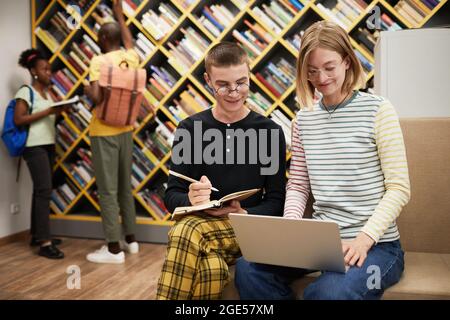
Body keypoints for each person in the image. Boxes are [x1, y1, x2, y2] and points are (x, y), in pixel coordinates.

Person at [235, 20, 411, 300]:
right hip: (319, 244)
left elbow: (399, 188)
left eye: (329, 67)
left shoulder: (378, 110)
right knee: (248, 269)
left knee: (329, 292)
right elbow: (299, 186)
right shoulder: (303, 120)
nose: (322, 78)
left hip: (377, 245)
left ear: (347, 62)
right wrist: (290, 228)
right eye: (312, 71)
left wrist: (364, 239)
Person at [156, 42, 287, 300]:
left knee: (186, 230)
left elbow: (277, 201)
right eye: (223, 85)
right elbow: (171, 196)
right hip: (201, 223)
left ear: (250, 75)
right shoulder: (189, 129)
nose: (234, 92)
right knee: (212, 270)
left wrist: (244, 212)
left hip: (245, 230)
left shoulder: (269, 132)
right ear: (208, 80)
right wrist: (191, 199)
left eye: (242, 82)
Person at [84, 0, 139, 264]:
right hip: (126, 129)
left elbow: (95, 97)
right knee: (124, 189)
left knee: (107, 191)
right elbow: (129, 41)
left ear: (104, 38)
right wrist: (119, 14)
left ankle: (113, 249)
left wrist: (86, 89)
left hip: (103, 131)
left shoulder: (99, 60)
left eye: (98, 35)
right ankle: (131, 240)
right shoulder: (131, 57)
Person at [14, 48, 67, 259]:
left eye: (50, 69)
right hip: (33, 147)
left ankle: (37, 235)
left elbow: (47, 118)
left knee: (41, 190)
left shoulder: (47, 93)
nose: (49, 73)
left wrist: (60, 112)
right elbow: (19, 119)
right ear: (34, 72)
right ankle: (45, 244)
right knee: (44, 191)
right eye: (44, 69)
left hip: (48, 145)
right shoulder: (25, 91)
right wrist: (48, 112)